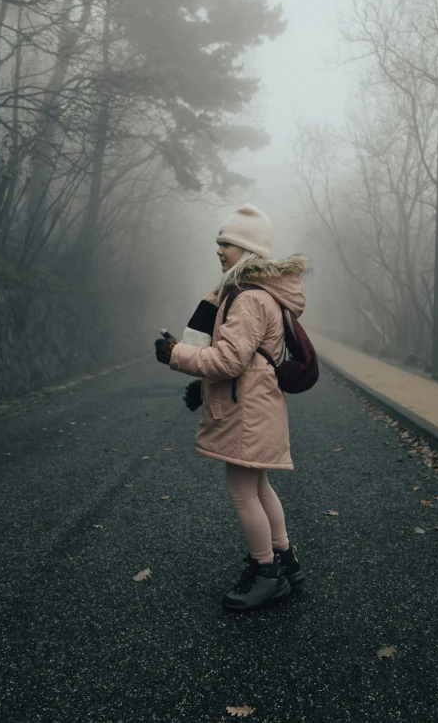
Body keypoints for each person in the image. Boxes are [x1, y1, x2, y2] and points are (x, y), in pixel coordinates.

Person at [155, 203, 309, 612]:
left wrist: (175, 354)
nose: (219, 250)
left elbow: (228, 360)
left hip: (246, 413)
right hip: (254, 406)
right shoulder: (255, 294)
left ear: (249, 249)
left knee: (243, 492)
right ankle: (285, 561)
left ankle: (266, 574)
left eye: (227, 243)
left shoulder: (249, 299)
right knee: (258, 487)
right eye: (218, 242)